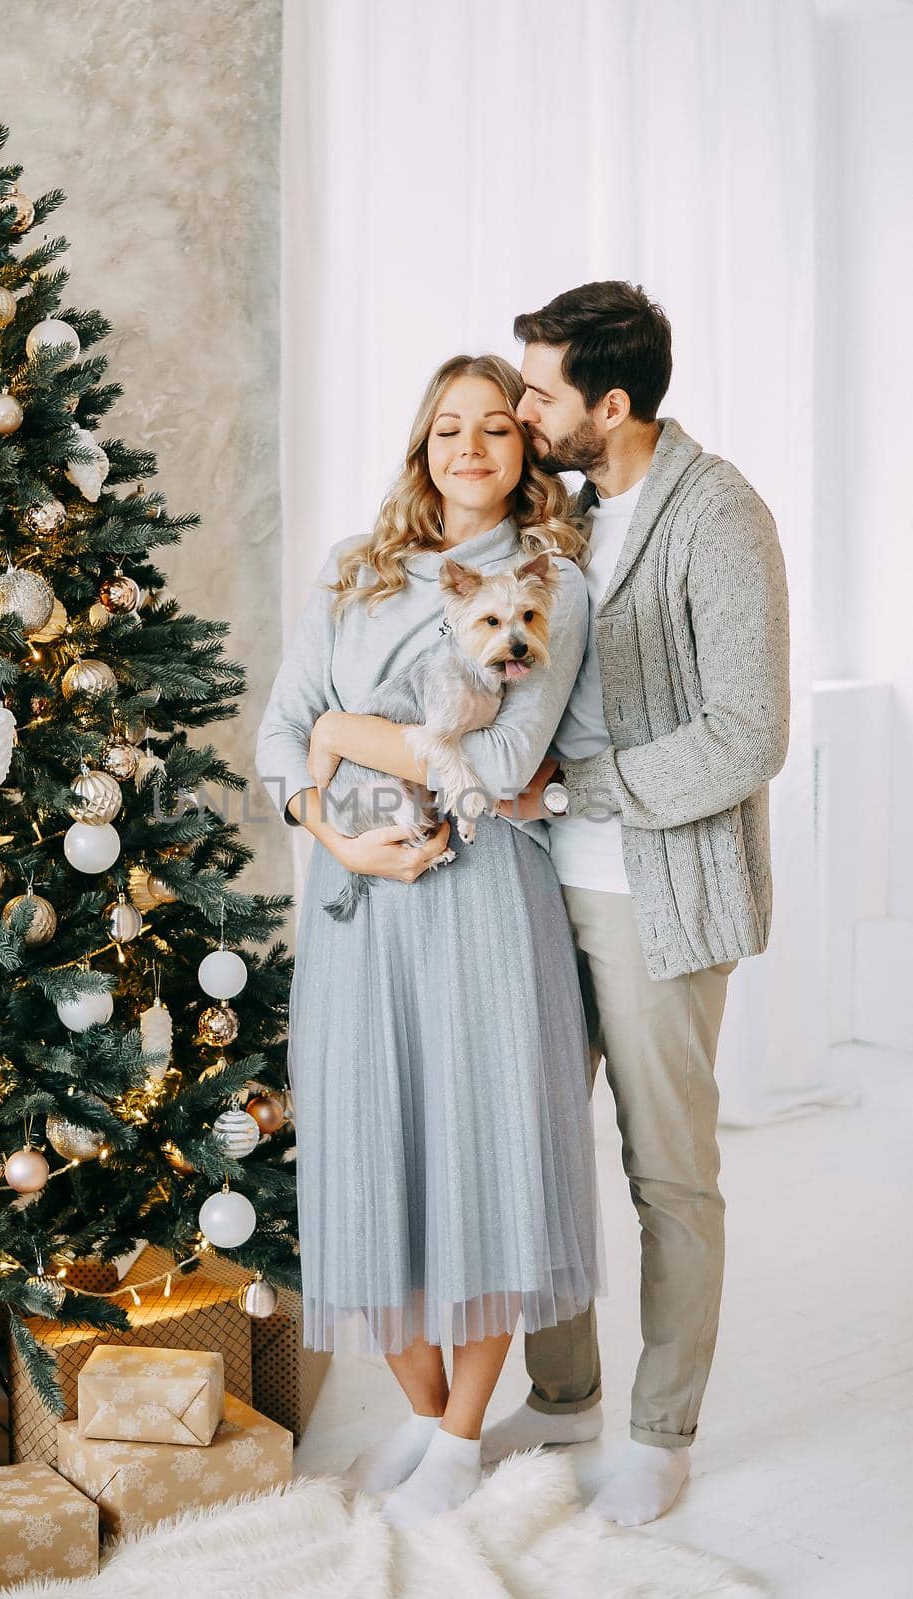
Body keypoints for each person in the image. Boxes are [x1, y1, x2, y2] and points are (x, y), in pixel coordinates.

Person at [255, 353, 603, 1531]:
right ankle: (419, 1408)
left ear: (522, 451)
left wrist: (354, 728)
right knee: (367, 1147)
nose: (470, 447)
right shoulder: (354, 574)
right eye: (447, 427)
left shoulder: (550, 581)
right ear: (421, 446)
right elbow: (278, 737)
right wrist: (330, 832)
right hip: (356, 906)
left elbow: (503, 766)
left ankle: (462, 1433)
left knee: (486, 1144)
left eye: (497, 428)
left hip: (483, 908)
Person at [476, 281, 791, 1525]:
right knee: (542, 1156)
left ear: (610, 404)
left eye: (540, 390)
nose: (518, 408)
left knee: (666, 1174)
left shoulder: (718, 516)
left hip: (655, 895)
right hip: (531, 892)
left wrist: (573, 790)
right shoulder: (558, 510)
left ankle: (661, 1431)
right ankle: (561, 1400)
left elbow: (747, 733)